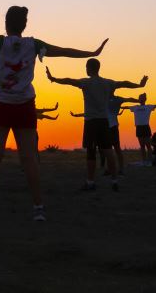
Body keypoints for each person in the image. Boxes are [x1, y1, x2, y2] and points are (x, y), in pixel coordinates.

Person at [0, 7, 107, 222]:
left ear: (6, 24)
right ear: (24, 25)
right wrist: (91, 53)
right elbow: (64, 50)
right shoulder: (33, 45)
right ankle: (38, 209)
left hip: (0, 104)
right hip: (25, 105)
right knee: (29, 160)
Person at [45, 58, 142, 193]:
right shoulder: (108, 83)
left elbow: (69, 81)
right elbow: (124, 83)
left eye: (86, 67)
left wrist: (54, 78)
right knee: (108, 150)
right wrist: (138, 85)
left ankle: (90, 183)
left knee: (91, 152)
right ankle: (114, 180)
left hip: (91, 123)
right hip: (104, 122)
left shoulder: (86, 82)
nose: (85, 69)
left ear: (89, 68)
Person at [121, 94, 156, 167]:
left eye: (142, 98)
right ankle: (144, 161)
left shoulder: (148, 107)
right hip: (138, 128)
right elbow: (126, 107)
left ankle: (149, 161)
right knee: (142, 146)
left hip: (146, 127)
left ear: (145, 99)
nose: (140, 99)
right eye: (139, 98)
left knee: (148, 145)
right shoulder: (135, 107)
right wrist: (118, 105)